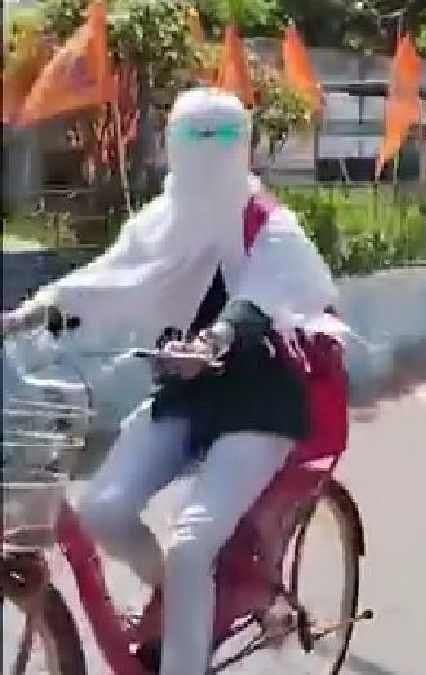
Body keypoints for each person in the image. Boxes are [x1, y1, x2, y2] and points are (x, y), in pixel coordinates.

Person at [3, 89, 344, 674]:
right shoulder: (162, 221)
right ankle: (187, 604)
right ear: (173, 149)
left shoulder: (272, 227)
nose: (206, 161)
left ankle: (184, 638)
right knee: (102, 512)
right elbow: (111, 277)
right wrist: (32, 311)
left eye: (220, 143)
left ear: (243, 150)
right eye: (193, 142)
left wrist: (215, 339)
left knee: (191, 547)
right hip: (185, 393)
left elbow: (269, 295)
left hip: (260, 403)